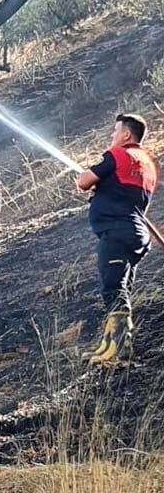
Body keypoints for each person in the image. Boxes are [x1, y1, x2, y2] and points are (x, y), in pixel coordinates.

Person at [75, 113, 159, 365]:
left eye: (114, 131)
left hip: (116, 232)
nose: (112, 136)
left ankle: (117, 349)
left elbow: (83, 181)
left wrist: (87, 181)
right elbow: (123, 191)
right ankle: (111, 345)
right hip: (136, 235)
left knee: (113, 288)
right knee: (121, 288)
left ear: (126, 134)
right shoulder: (146, 164)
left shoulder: (117, 155)